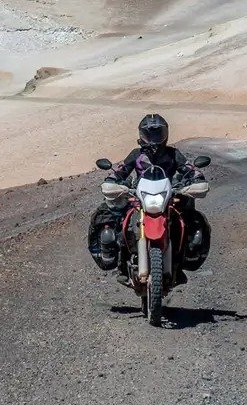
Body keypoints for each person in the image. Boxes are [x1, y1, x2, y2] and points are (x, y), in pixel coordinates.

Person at [87, 114, 210, 280]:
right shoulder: (136, 155)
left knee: (193, 220)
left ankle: (187, 255)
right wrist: (113, 179)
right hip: (141, 196)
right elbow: (121, 170)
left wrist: (196, 177)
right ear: (141, 135)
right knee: (111, 216)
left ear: (166, 134)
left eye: (158, 134)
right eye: (149, 134)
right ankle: (116, 256)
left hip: (168, 195)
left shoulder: (173, 154)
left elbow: (188, 169)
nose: (154, 139)